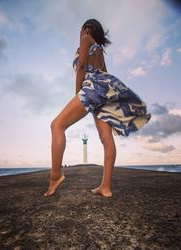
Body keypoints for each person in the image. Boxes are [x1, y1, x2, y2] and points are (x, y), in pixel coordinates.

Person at [44, 19, 151, 198]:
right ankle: (106, 187)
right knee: (106, 138)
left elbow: (81, 67)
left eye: (82, 30)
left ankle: (55, 176)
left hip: (92, 88)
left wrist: (78, 93)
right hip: (103, 91)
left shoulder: (86, 39)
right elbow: (105, 75)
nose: (81, 34)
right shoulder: (100, 50)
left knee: (57, 126)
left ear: (87, 29)